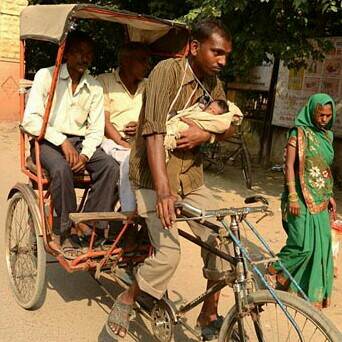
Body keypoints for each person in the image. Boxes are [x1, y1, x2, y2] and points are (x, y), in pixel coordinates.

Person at [106, 18, 234, 340]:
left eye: (226, 55)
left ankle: (209, 313)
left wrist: (203, 134)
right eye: (216, 52)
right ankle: (129, 296)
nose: (222, 60)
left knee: (222, 238)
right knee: (169, 253)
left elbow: (231, 124)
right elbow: (153, 133)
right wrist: (163, 193)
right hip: (153, 177)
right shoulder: (167, 72)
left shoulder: (213, 84)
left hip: (190, 178)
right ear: (194, 48)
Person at [21, 31, 119, 254]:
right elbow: (31, 120)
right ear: (66, 54)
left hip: (80, 143)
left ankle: (88, 223)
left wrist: (85, 154)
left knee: (110, 166)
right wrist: (62, 141)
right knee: (61, 168)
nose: (85, 59)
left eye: (89, 54)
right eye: (79, 53)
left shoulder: (94, 87)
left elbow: (95, 130)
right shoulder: (46, 76)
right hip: (46, 141)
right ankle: (65, 229)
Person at [268, 93, 337, 310]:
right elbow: (288, 166)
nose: (324, 119)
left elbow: (323, 169)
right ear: (311, 111)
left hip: (320, 198)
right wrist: (292, 197)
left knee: (320, 246)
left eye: (328, 115)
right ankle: (270, 271)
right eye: (320, 114)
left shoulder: (328, 137)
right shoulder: (297, 134)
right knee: (301, 246)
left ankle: (303, 292)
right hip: (298, 197)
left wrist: (330, 195)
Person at [97, 42, 151, 215]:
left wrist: (142, 127)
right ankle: (129, 214)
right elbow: (104, 122)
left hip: (142, 142)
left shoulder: (149, 85)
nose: (146, 66)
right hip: (112, 142)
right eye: (142, 60)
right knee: (129, 162)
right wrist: (123, 142)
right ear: (126, 62)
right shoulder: (104, 81)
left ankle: (138, 213)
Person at [164, 99, 243, 153]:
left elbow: (228, 127)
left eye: (214, 112)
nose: (210, 112)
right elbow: (194, 111)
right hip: (177, 122)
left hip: (190, 157)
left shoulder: (215, 87)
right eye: (209, 108)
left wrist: (207, 136)